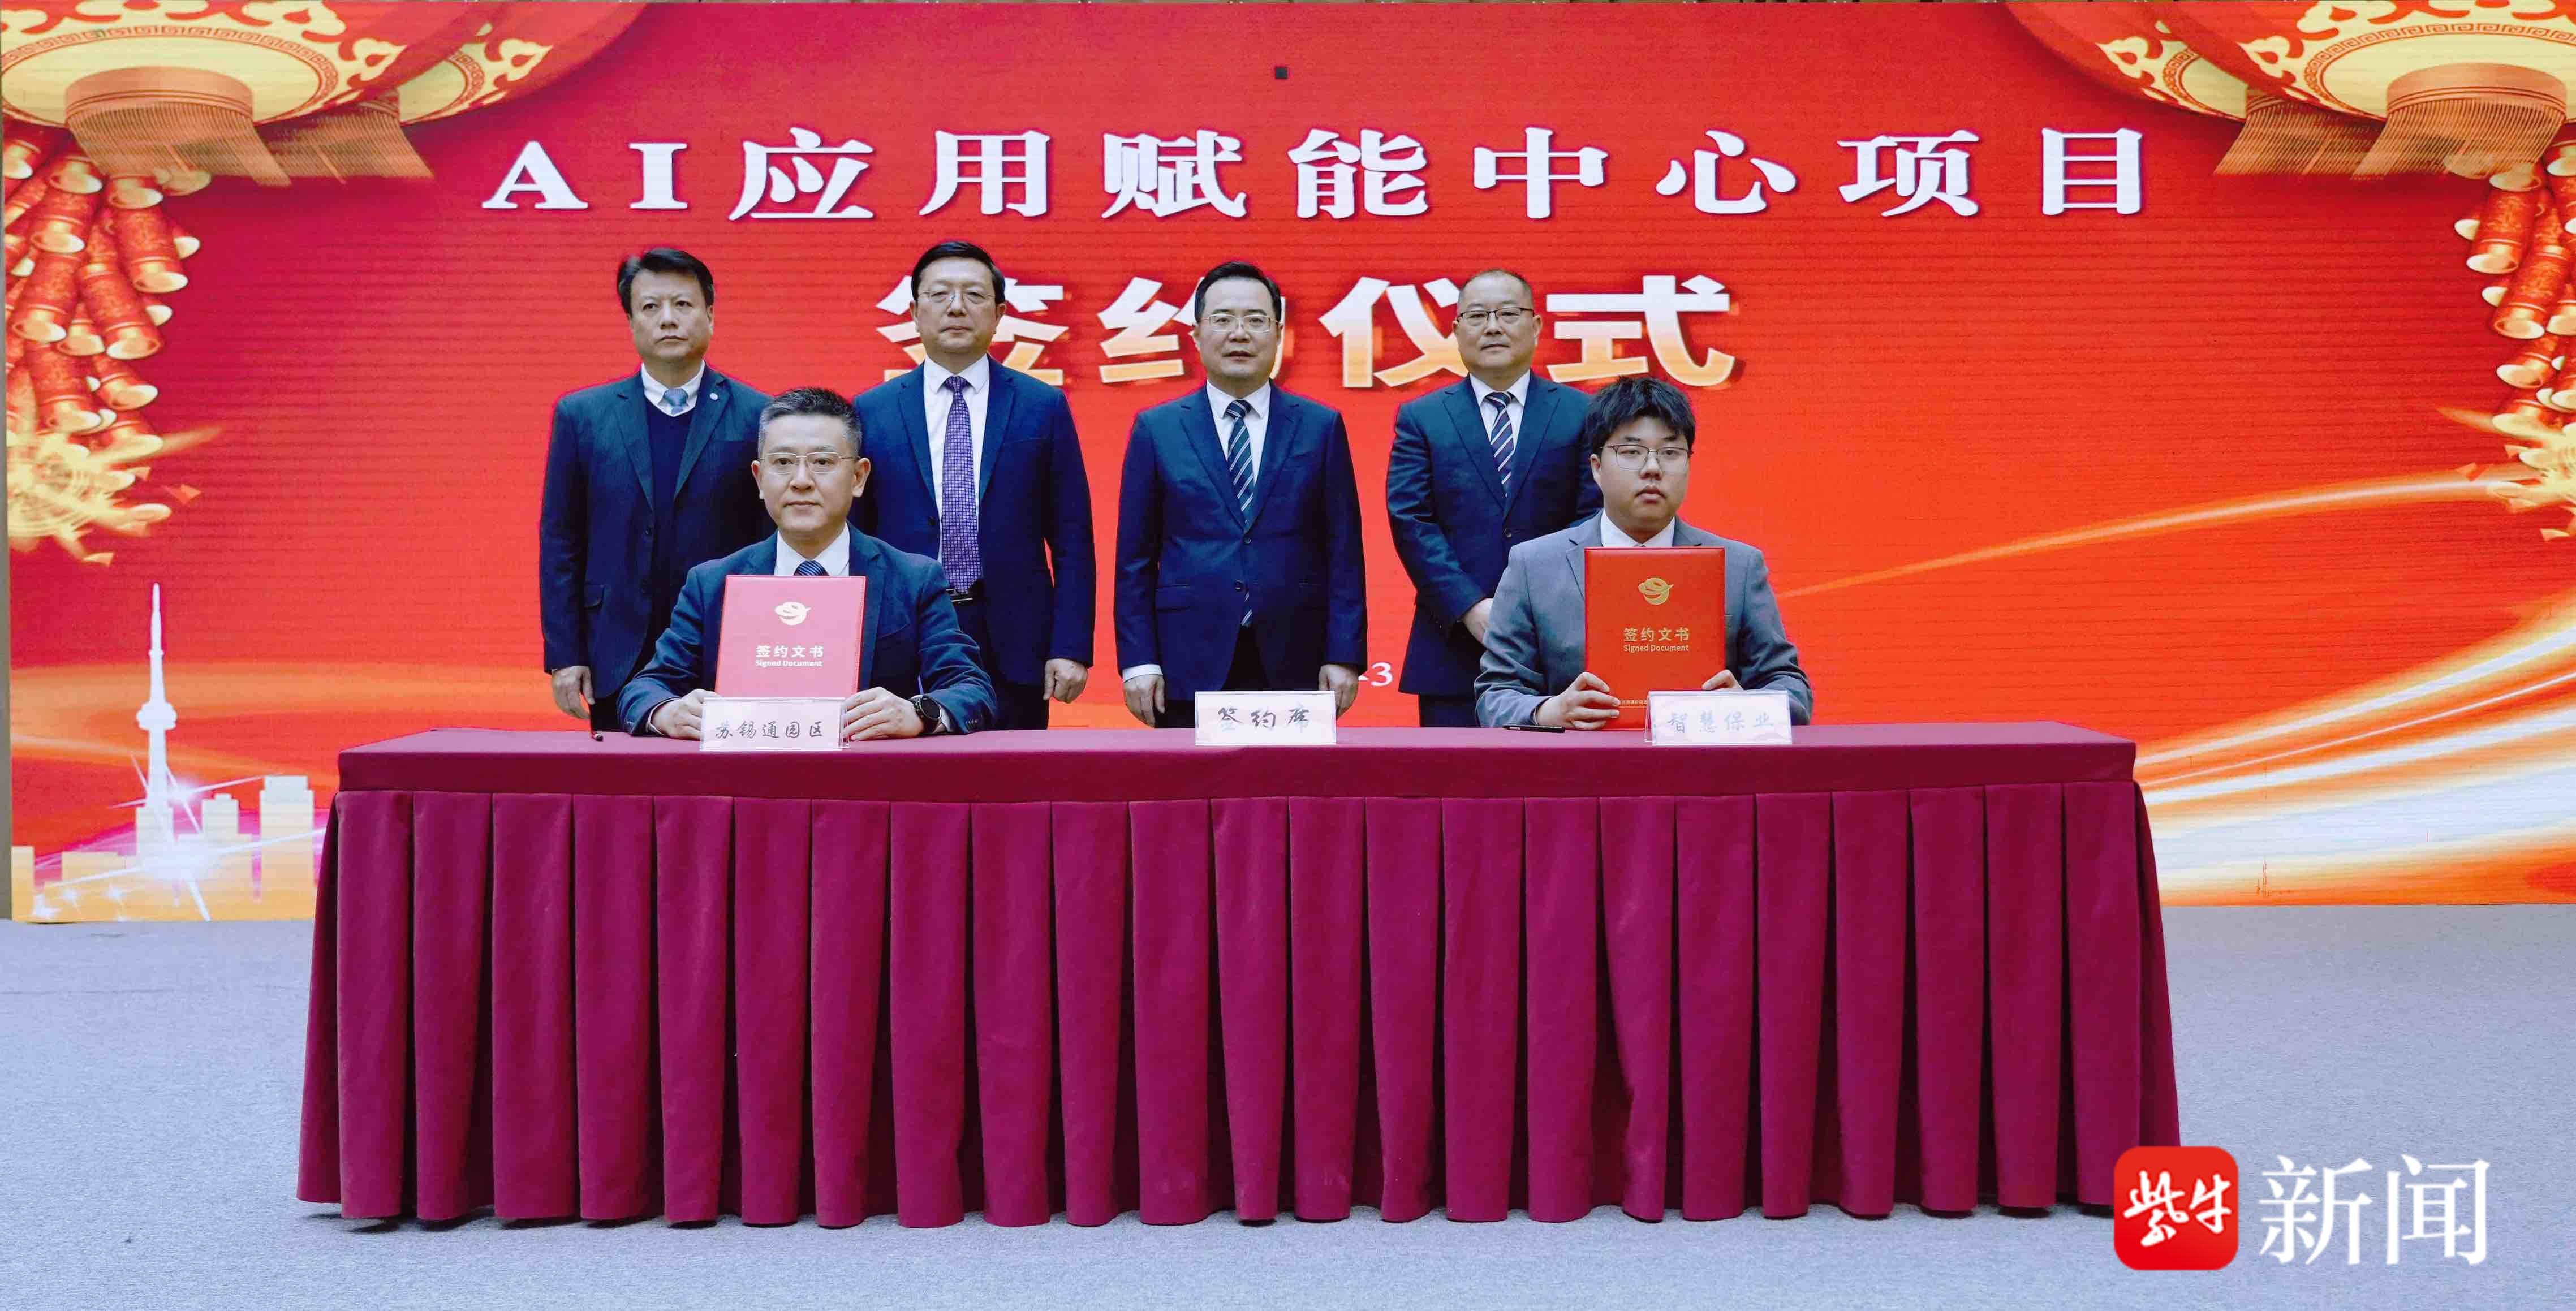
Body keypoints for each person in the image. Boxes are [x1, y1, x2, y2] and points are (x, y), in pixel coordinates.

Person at [618, 388, 1000, 740]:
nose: (801, 481)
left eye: (822, 462)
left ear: (858, 477)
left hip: (867, 779)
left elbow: (972, 689)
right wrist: (668, 712)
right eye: (783, 462)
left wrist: (918, 713)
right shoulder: (712, 583)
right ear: (759, 479)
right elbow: (643, 690)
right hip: (745, 782)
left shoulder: (913, 579)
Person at [1475, 375, 1812, 729]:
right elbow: (1496, 695)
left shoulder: (1739, 566)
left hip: (1699, 760)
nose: (1653, 468)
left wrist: (1744, 707)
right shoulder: (1534, 566)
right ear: (1597, 469)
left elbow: (1792, 690)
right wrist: (1551, 711)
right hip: (1579, 760)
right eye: (1631, 452)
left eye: (1670, 453)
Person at [853, 240, 1095, 730]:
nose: (957, 307)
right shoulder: (871, 411)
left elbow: (1072, 538)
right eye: (940, 294)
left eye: (974, 295)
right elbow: (856, 538)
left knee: (1014, 772)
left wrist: (1070, 647)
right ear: (914, 312)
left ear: (1000, 313)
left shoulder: (1042, 406)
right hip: (904, 630)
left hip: (1015, 636)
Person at [1114, 260, 1367, 728]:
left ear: (1279, 333)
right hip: (1186, 657)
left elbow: (1344, 551)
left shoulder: (1321, 426)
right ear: (1196, 334)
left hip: (1297, 656)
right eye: (1223, 319)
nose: (1239, 333)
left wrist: (1344, 655)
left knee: (1290, 777)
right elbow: (1134, 559)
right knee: (1189, 778)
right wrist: (1139, 661)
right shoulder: (1157, 428)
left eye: (1255, 320)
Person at [539, 248, 771, 732]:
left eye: (683, 305)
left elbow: (771, 537)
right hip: (615, 647)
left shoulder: (759, 415)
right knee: (621, 779)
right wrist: (565, 654)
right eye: (650, 307)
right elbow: (562, 539)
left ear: (710, 315)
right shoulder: (582, 416)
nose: (668, 319)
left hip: (726, 643)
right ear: (631, 322)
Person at [1386, 269, 1600, 726]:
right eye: (1477, 316)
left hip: (1557, 644)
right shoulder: (1422, 417)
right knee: (1453, 771)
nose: (1493, 326)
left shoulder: (1582, 412)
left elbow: (1592, 515)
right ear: (1456, 329)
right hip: (1453, 645)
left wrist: (1536, 604)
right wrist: (1468, 605)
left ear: (1536, 325)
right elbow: (1411, 519)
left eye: (1508, 313)